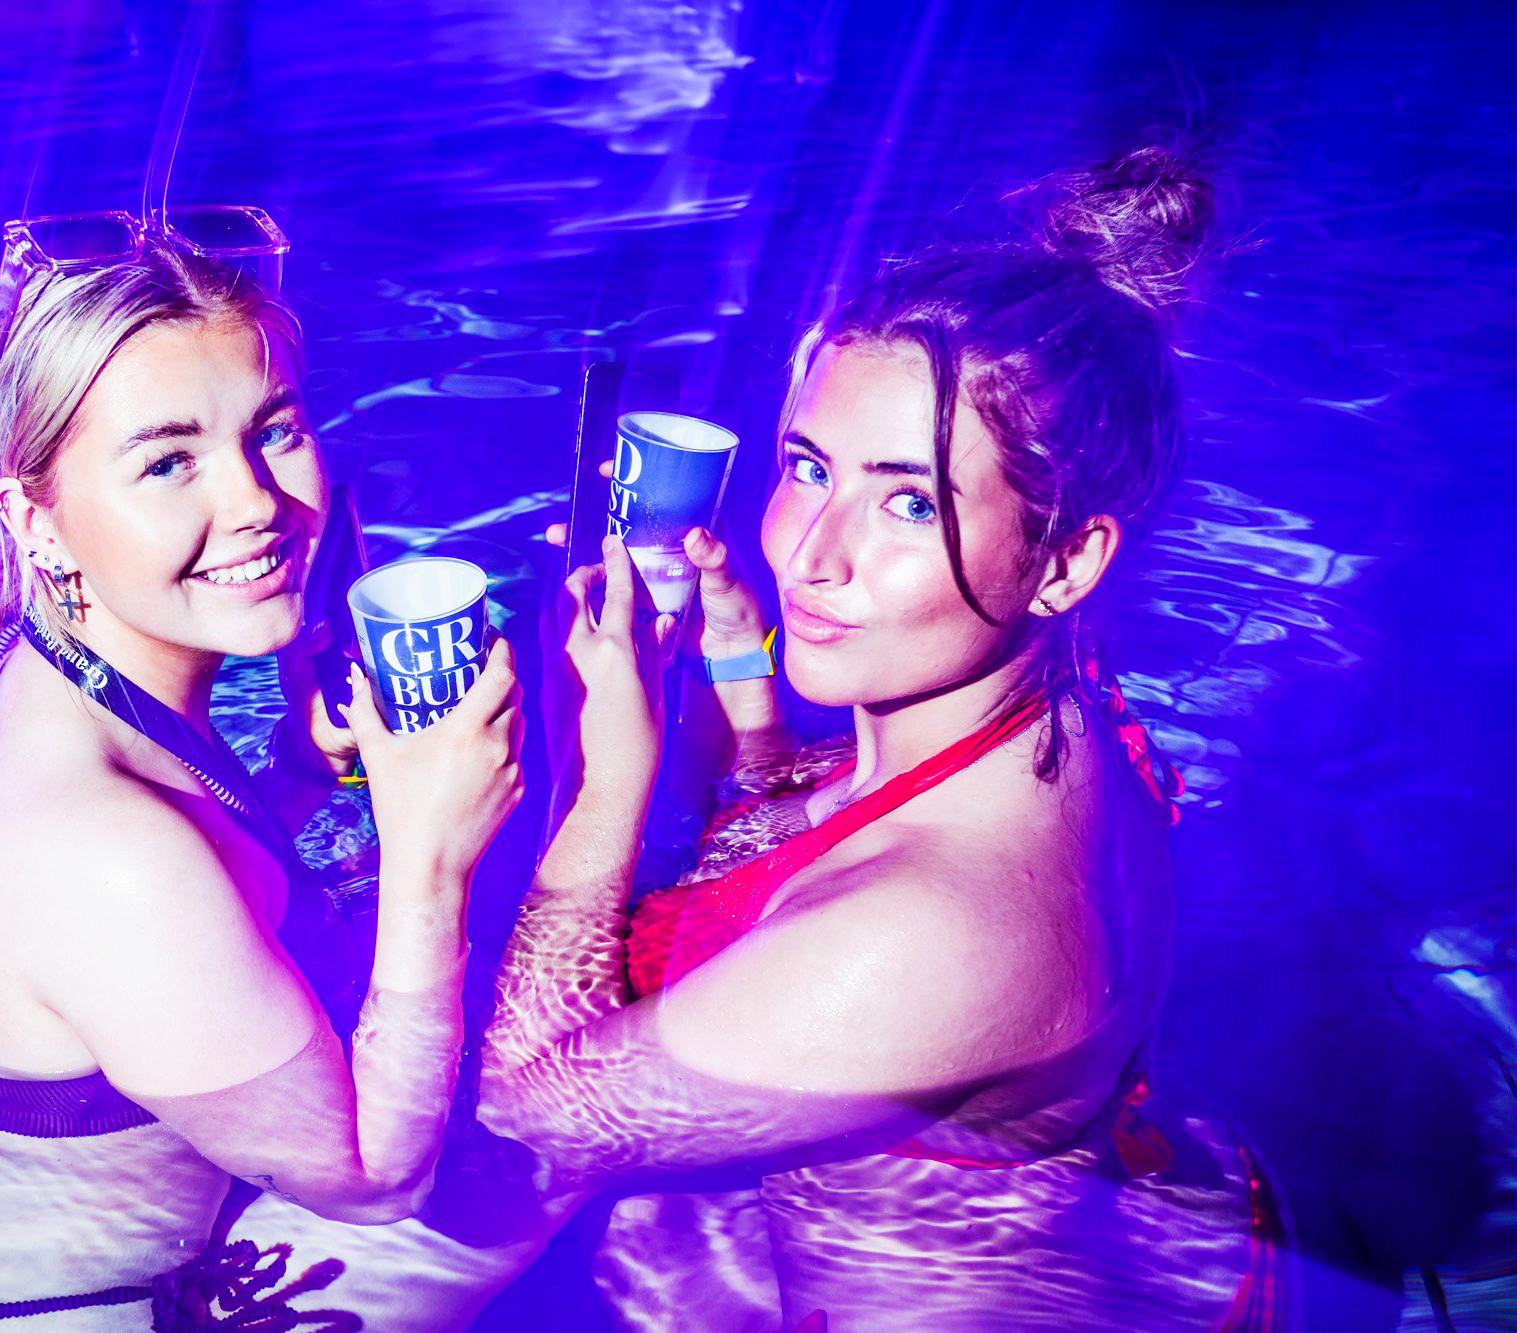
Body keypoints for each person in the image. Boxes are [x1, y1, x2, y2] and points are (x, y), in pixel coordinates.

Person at [483, 145, 1291, 1330]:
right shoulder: (1055, 707)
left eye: (907, 501)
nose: (809, 552)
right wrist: (746, 689)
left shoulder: (932, 931)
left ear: (1064, 560)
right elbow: (823, 834)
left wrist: (605, 782)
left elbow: (530, 1112)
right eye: (808, 468)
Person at [0, 212, 525, 1331]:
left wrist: (295, 775)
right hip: (14, 1311)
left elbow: (183, 888)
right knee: (542, 1157)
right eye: (169, 461)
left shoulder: (47, 669)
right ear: (39, 516)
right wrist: (429, 861)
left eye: (274, 430)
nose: (257, 502)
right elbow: (371, 1185)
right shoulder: (107, 851)